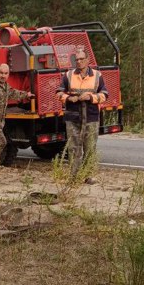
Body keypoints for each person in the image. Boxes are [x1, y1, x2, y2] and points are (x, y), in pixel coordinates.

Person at [56, 49, 109, 184]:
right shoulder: (68, 75)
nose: (78, 62)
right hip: (73, 118)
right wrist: (69, 98)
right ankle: (74, 177)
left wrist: (91, 97)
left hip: (91, 117)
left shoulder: (97, 75)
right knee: (73, 148)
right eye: (77, 59)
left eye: (81, 59)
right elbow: (58, 93)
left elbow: (104, 95)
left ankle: (88, 176)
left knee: (90, 147)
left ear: (87, 60)